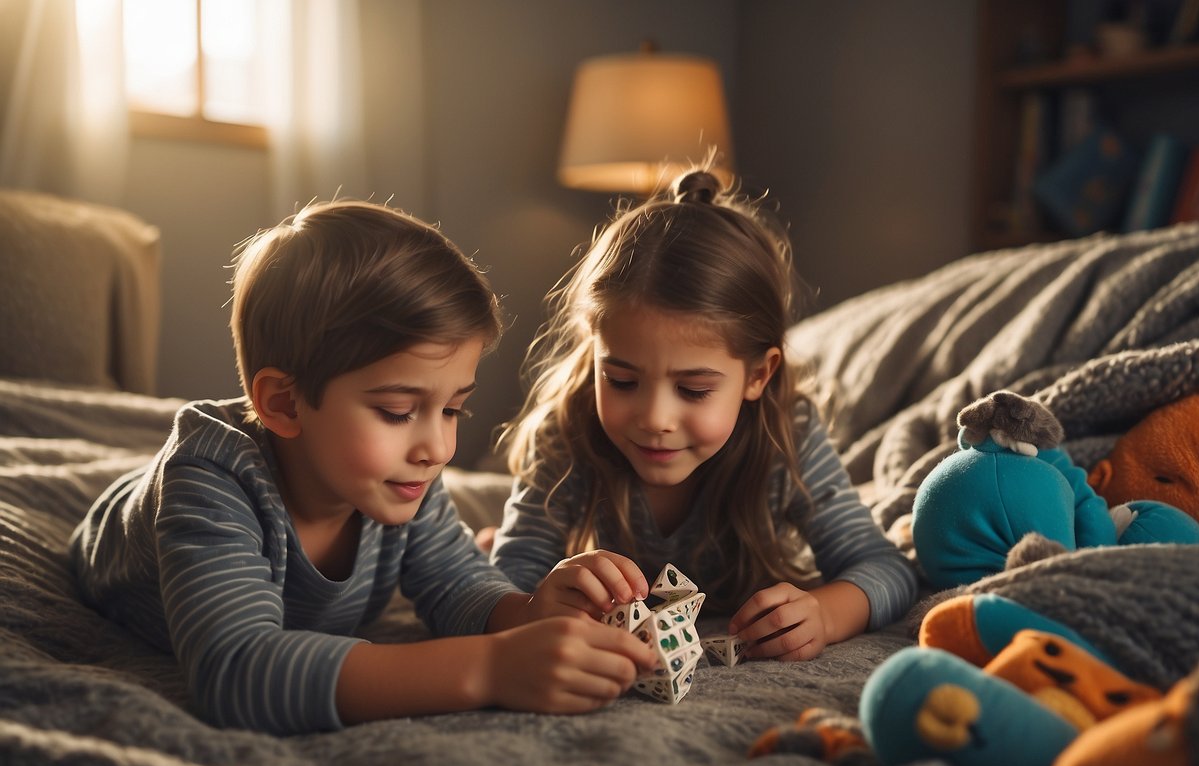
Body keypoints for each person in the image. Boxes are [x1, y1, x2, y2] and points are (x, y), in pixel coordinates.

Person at [70, 199, 653, 736]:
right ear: (284, 403)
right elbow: (237, 672)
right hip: (119, 541)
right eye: (398, 411)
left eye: (453, 409)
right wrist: (492, 666)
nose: (438, 447)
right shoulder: (212, 484)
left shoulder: (404, 473)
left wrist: (530, 613)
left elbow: (455, 584)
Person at [490, 169, 919, 661]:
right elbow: (505, 588)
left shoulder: (787, 438)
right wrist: (540, 602)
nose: (654, 417)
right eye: (622, 380)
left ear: (758, 375)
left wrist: (824, 613)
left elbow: (887, 569)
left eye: (693, 390)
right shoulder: (566, 432)